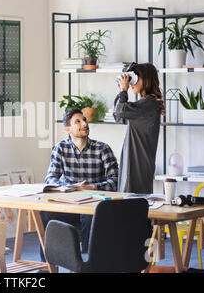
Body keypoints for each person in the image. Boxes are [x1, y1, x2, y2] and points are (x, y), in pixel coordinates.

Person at [41, 108, 118, 258]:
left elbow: (115, 181)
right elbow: (50, 177)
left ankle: (88, 263)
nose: (84, 123)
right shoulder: (60, 148)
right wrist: (65, 187)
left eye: (84, 120)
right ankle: (47, 265)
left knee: (88, 216)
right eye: (78, 121)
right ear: (68, 129)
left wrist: (93, 187)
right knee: (45, 212)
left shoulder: (102, 149)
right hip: (70, 204)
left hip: (95, 205)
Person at [113, 62, 165, 194]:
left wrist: (124, 91)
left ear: (145, 80)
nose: (131, 83)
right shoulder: (143, 104)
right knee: (130, 205)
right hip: (134, 163)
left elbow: (119, 112)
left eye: (135, 78)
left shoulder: (149, 103)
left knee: (132, 206)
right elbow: (118, 116)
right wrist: (121, 90)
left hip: (137, 165)